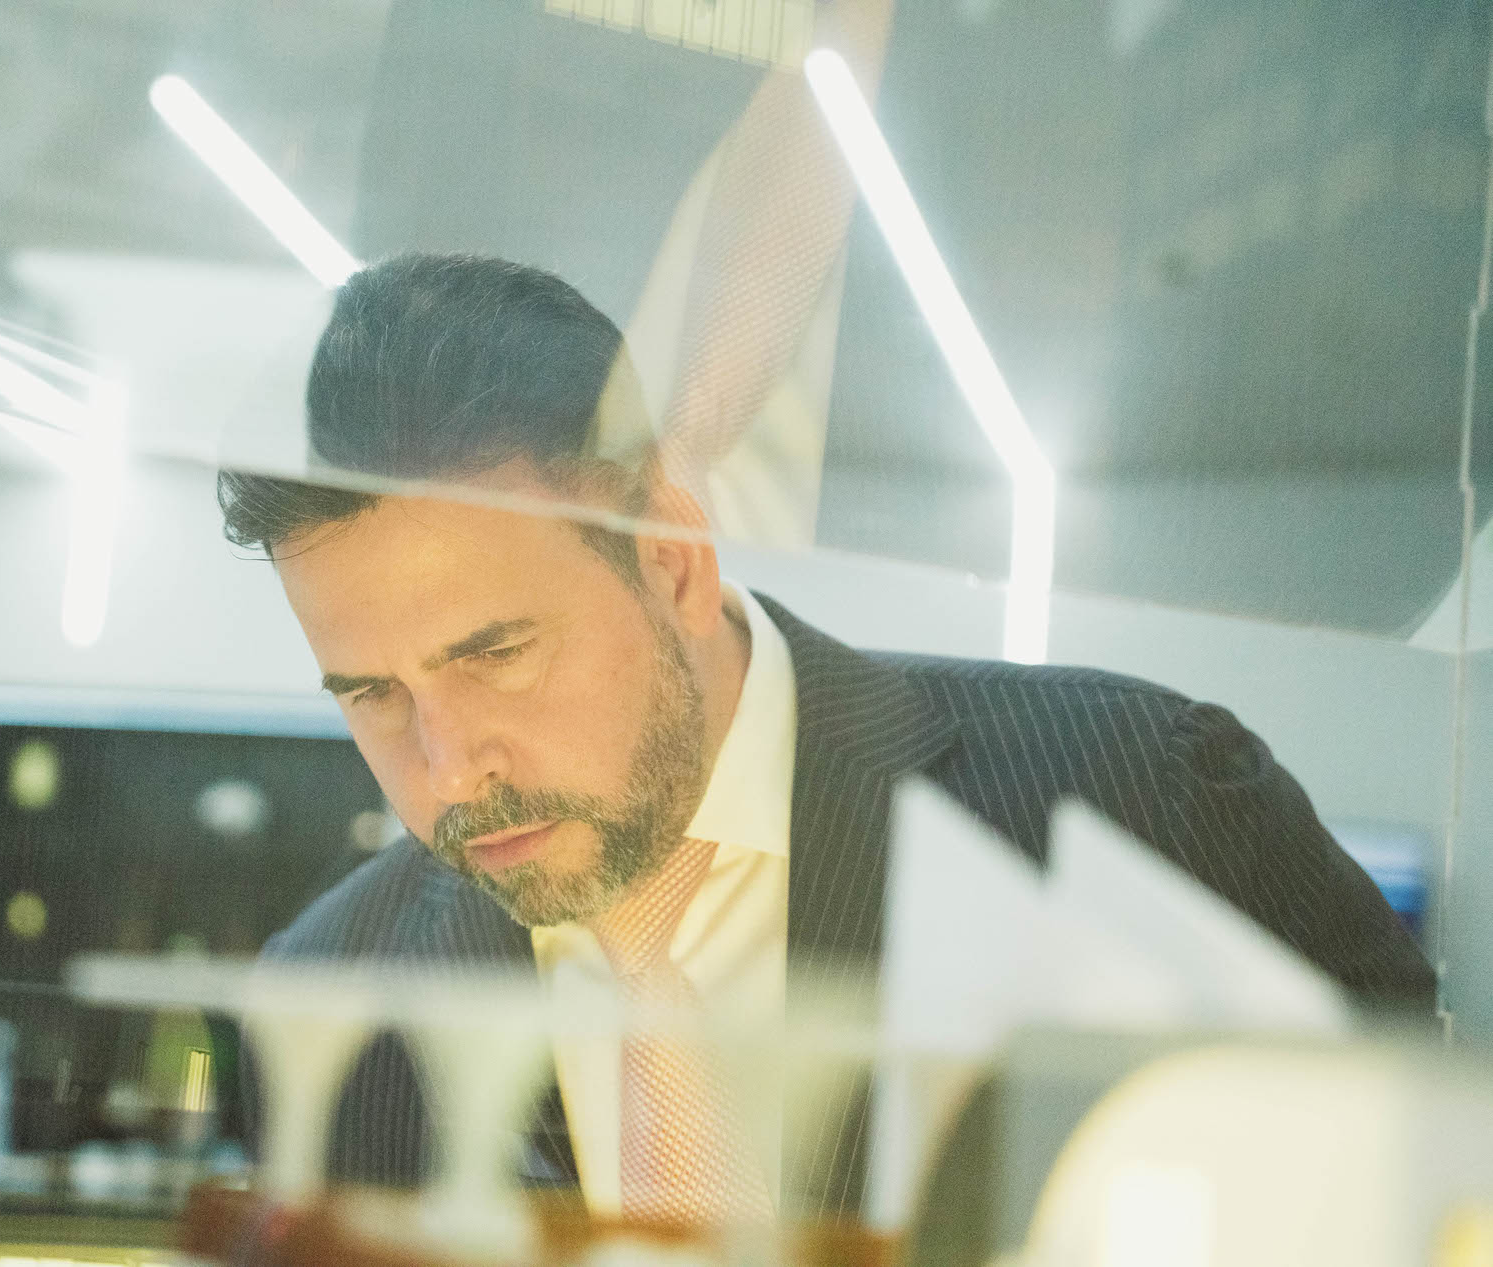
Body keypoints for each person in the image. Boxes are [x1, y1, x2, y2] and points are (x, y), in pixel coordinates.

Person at [216, 253, 1434, 1222]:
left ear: (671, 560)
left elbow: (1419, 1201)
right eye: (372, 695)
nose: (448, 769)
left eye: (495, 653)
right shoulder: (329, 1006)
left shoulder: (1144, 798)